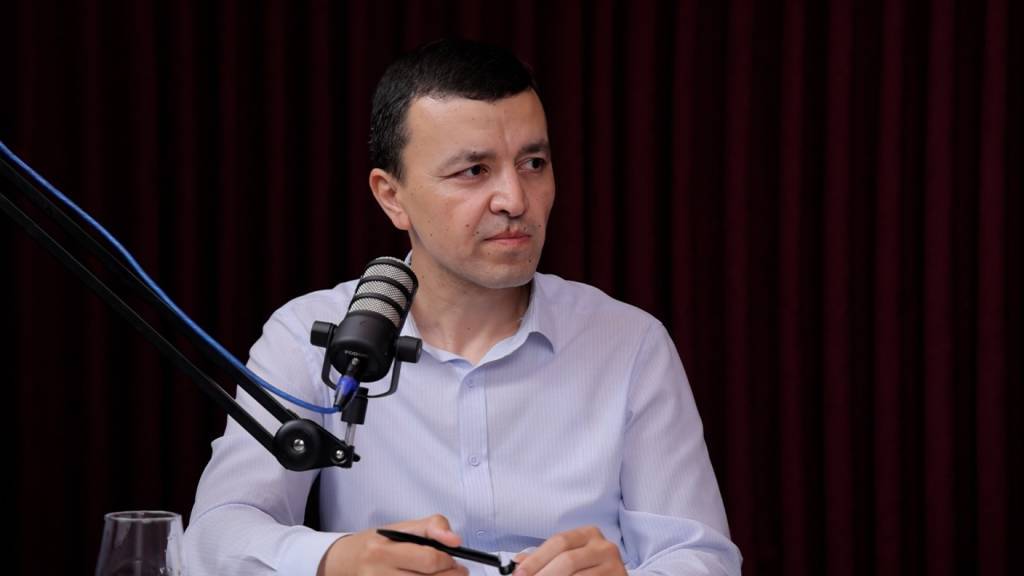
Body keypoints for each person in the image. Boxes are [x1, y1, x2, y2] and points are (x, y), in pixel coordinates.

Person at [183, 38, 741, 576]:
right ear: (391, 197)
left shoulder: (630, 342)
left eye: (534, 163)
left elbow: (704, 558)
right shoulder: (309, 334)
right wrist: (335, 560)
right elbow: (212, 539)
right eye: (474, 171)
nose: (515, 200)